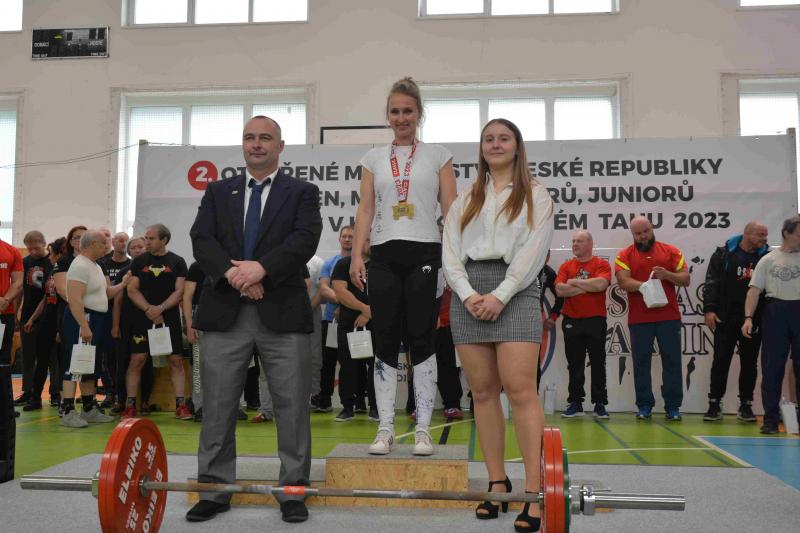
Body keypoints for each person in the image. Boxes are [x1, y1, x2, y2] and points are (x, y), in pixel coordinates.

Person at [188, 115, 322, 524]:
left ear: (280, 146)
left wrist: (261, 269)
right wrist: (235, 276)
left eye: (265, 138)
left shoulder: (302, 192)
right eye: (250, 137)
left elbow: (304, 239)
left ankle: (293, 490)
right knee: (217, 405)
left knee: (292, 406)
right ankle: (214, 489)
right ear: (243, 145)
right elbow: (202, 240)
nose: (257, 144)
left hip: (282, 313)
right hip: (225, 312)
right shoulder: (218, 191)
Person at [443, 118, 553, 532]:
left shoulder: (536, 195)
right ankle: (496, 483)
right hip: (469, 293)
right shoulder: (466, 198)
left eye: (504, 138)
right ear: (481, 148)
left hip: (517, 290)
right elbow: (450, 252)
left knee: (521, 392)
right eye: (488, 139)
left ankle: (534, 493)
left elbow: (533, 252)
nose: (495, 144)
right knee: (484, 393)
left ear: (517, 146)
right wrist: (468, 294)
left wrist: (501, 294)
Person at [350, 77, 457, 456]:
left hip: (426, 253)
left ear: (419, 114)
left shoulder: (439, 156)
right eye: (395, 112)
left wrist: (452, 259)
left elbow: (452, 210)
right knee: (384, 340)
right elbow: (366, 209)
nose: (401, 118)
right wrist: (356, 255)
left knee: (422, 339)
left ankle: (423, 428)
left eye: (408, 111)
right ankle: (385, 428)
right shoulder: (373, 159)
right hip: (383, 254)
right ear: (388, 116)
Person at [615, 216, 690, 421]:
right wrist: (645, 286)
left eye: (646, 231)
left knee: (672, 361)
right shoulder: (624, 255)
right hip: (639, 319)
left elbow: (685, 279)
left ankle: (673, 407)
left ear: (652, 228)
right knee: (641, 363)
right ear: (632, 234)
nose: (643, 236)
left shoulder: (671, 251)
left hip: (669, 317)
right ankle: (644, 405)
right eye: (638, 233)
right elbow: (623, 281)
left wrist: (667, 275)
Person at [702, 222, 769, 422]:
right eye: (760, 234)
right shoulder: (724, 254)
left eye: (766, 235)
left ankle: (746, 405)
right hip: (726, 315)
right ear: (747, 233)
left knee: (750, 362)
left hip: (753, 317)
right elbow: (711, 282)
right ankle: (714, 403)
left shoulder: (766, 257)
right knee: (721, 360)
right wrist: (709, 309)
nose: (765, 239)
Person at [122, 224, 189, 420]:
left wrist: (160, 309)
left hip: (169, 317)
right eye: (146, 238)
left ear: (164, 240)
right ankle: (130, 406)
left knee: (175, 360)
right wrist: (149, 309)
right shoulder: (139, 261)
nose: (147, 242)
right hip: (143, 316)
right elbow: (132, 290)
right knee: (137, 360)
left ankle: (180, 406)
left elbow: (180, 291)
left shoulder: (177, 261)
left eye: (151, 238)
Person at [60, 229, 126, 428]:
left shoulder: (96, 265)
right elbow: (75, 299)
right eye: (103, 243)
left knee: (90, 365)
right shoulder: (80, 265)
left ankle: (89, 409)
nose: (107, 246)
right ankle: (68, 411)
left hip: (97, 318)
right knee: (75, 364)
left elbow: (106, 294)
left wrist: (124, 284)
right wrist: (83, 324)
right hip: (84, 318)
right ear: (91, 244)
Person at [742, 215, 800, 434]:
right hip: (776, 313)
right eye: (799, 235)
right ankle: (771, 420)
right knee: (772, 369)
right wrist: (748, 318)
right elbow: (754, 291)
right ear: (787, 234)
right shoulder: (768, 260)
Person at [555, 230, 611, 419]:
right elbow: (560, 290)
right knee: (575, 364)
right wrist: (587, 287)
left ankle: (600, 403)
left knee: (598, 362)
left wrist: (574, 282)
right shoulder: (566, 266)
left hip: (596, 319)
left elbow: (600, 285)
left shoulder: (601, 264)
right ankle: (576, 402)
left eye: (579, 241)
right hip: (572, 320)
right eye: (573, 241)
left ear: (590, 244)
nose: (575, 244)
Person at [331, 237, 378, 422]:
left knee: (376, 366)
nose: (370, 244)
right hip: (349, 324)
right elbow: (340, 291)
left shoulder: (380, 265)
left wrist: (369, 313)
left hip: (376, 323)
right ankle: (348, 407)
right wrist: (363, 308)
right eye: (367, 240)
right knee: (348, 366)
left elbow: (386, 292)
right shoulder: (344, 264)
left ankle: (376, 407)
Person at [313, 225, 354, 413]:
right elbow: (323, 288)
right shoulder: (330, 263)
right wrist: (344, 300)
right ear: (339, 239)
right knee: (327, 362)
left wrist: (348, 304)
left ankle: (357, 401)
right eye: (344, 236)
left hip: (355, 320)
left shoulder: (360, 264)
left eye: (351, 237)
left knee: (354, 362)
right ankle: (325, 399)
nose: (347, 239)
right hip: (331, 321)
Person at [111, 236, 150, 414]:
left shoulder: (151, 270)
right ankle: (121, 400)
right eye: (133, 247)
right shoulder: (124, 272)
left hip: (147, 321)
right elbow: (117, 302)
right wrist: (115, 325)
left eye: (140, 246)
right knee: (123, 361)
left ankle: (145, 401)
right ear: (129, 251)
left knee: (145, 362)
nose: (137, 250)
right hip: (126, 322)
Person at [16, 231, 51, 410]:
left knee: (49, 357)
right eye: (29, 249)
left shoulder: (51, 262)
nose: (32, 252)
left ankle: (55, 392)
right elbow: (22, 289)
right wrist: (20, 309)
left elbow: (48, 294)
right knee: (28, 356)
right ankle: (27, 391)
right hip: (27, 313)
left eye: (36, 248)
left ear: (44, 243)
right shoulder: (26, 262)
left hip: (46, 315)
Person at [0, 236, 23, 418]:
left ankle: (5, 406)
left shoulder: (11, 251)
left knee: (4, 361)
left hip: (4, 312)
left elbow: (18, 281)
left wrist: (6, 300)